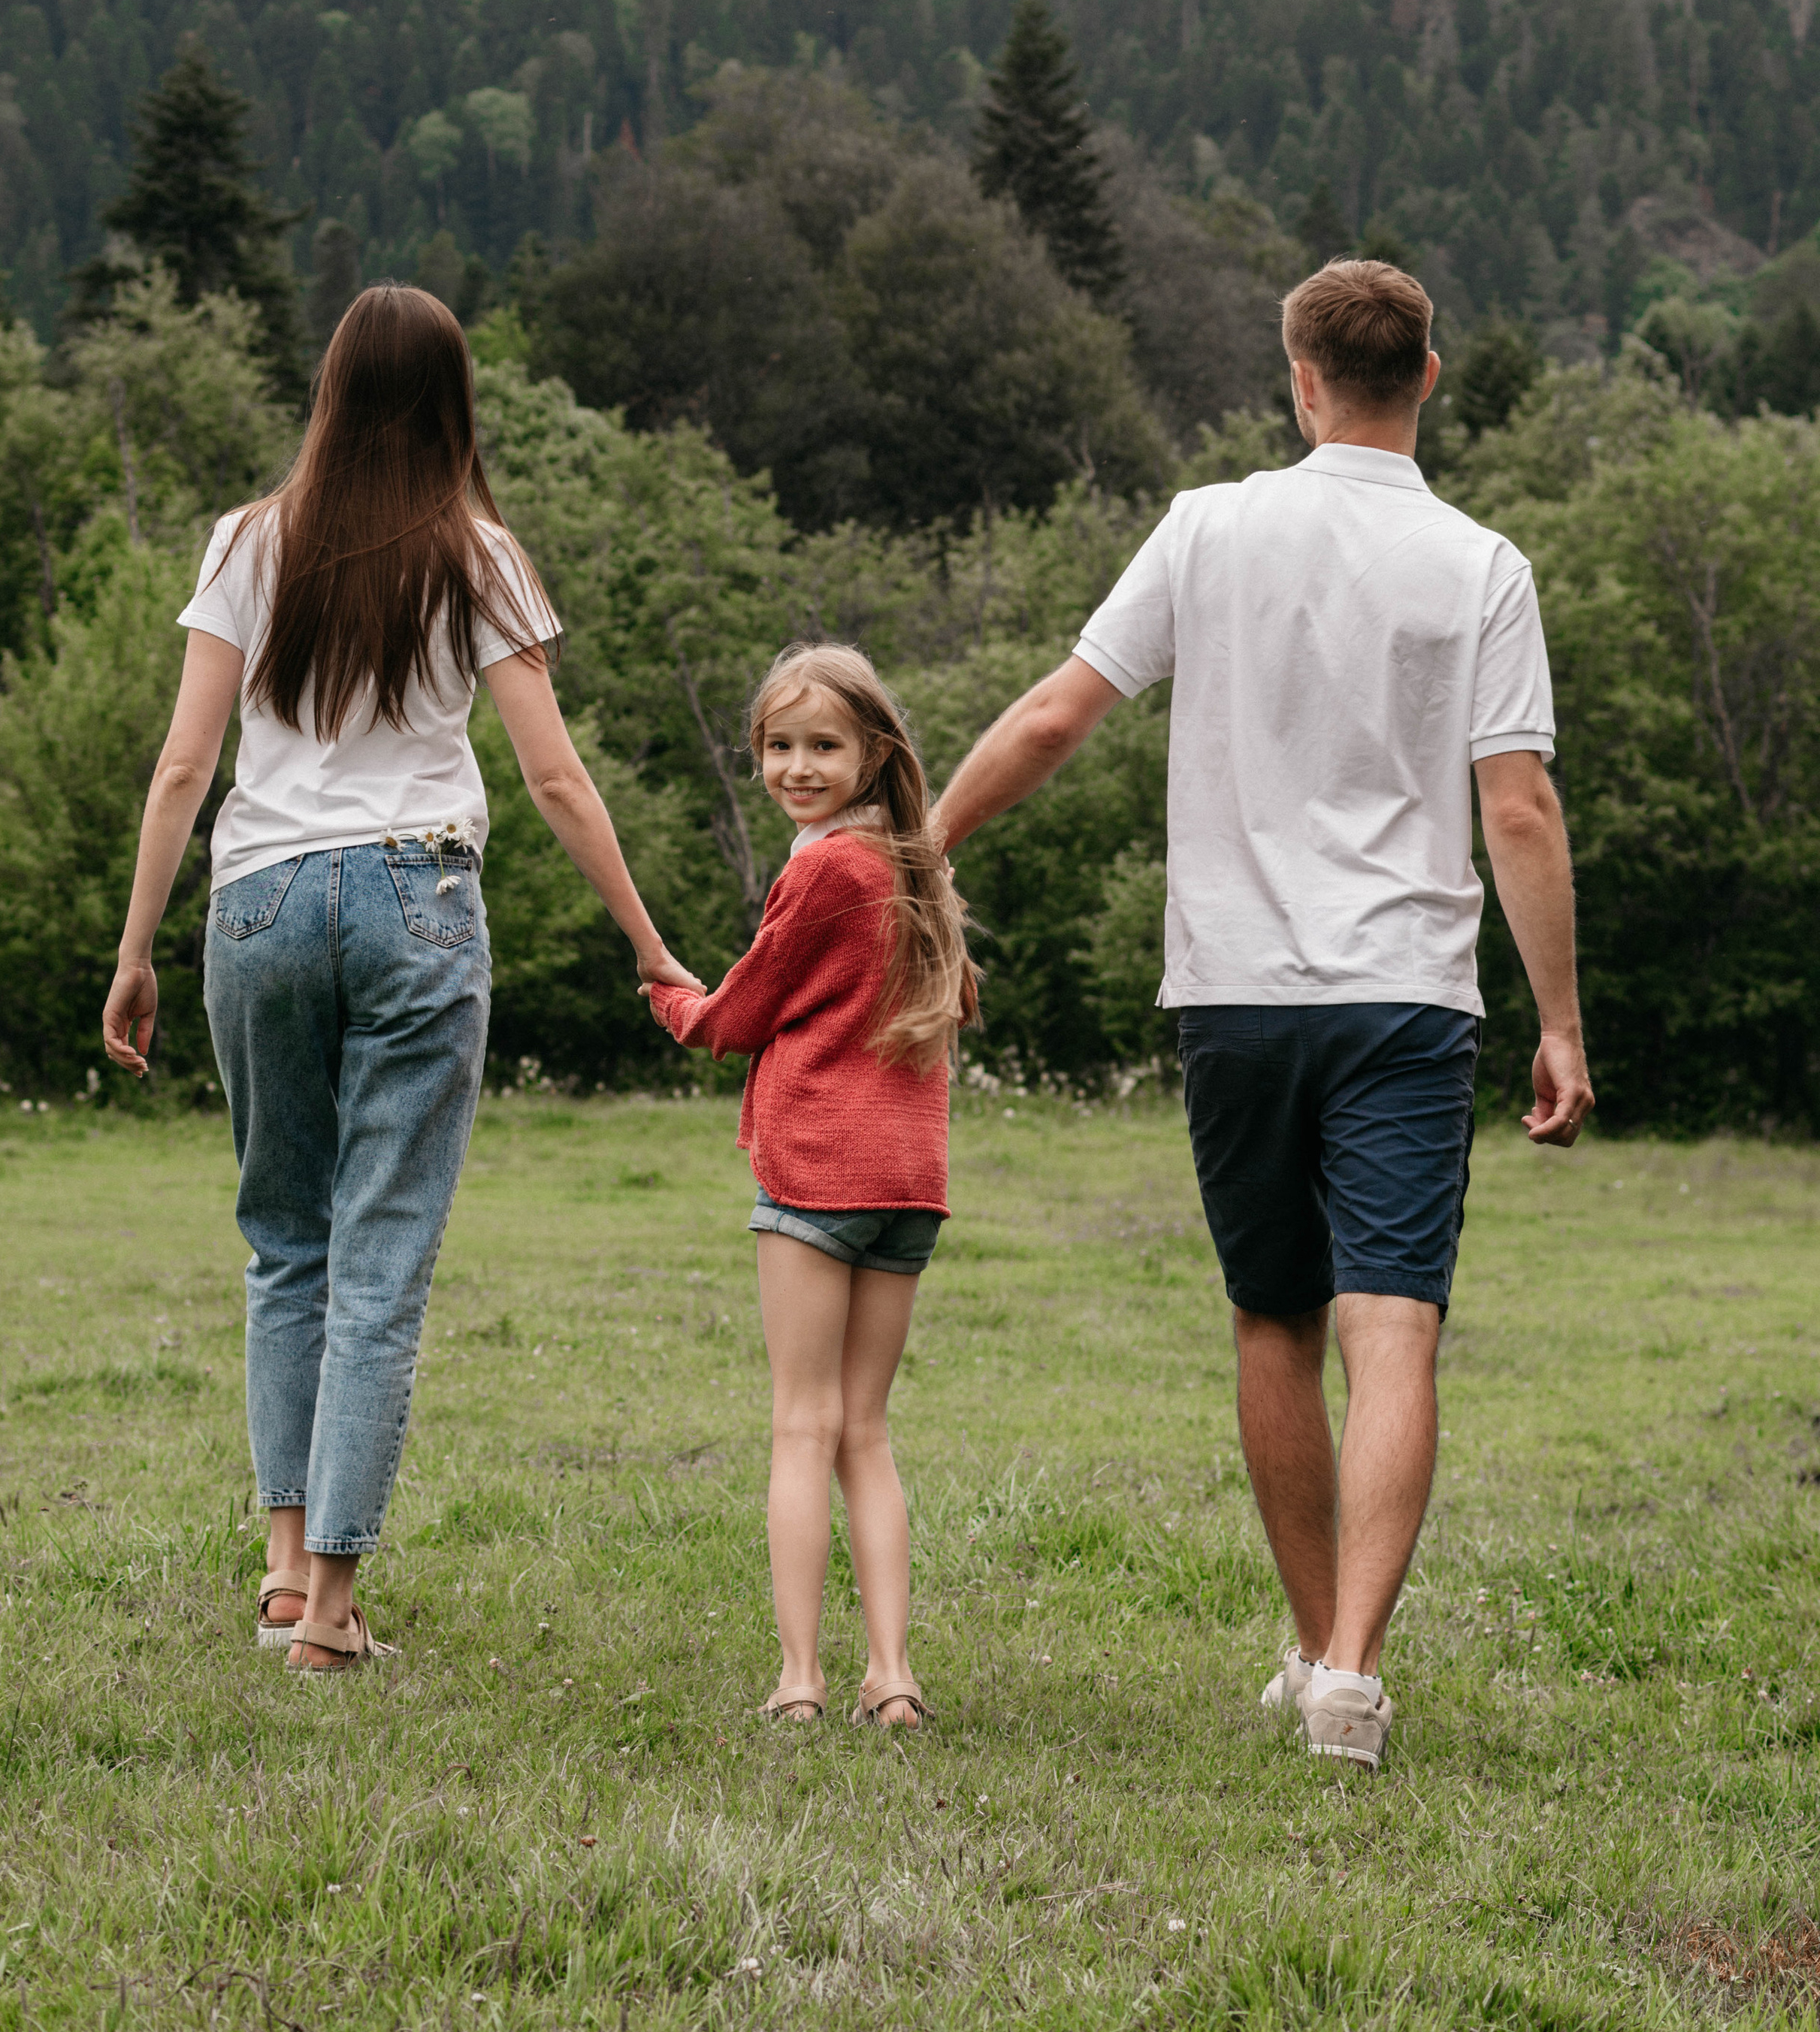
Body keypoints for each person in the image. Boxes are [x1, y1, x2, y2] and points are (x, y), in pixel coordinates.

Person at [931, 259, 1592, 1769]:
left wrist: (924, 843)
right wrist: (1557, 1021)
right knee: (1393, 1327)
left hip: (1234, 992)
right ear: (1427, 379)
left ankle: (1314, 1652)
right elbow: (1519, 810)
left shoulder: (1205, 527)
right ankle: (1349, 1671)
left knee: (1272, 1321)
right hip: (1405, 999)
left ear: (1299, 382)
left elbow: (1056, 714)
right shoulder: (1481, 565)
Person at [101, 284, 699, 1673]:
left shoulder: (246, 541)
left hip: (258, 901)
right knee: (379, 1262)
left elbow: (185, 766)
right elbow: (554, 776)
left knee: (284, 1241)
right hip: (416, 899)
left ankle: (283, 1571)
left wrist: (136, 950)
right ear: (453, 401)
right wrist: (649, 942)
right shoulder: (480, 555)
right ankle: (331, 1612)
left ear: (330, 391)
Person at [645, 645, 978, 1728]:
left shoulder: (830, 868)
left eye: (824, 746)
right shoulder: (918, 867)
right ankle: (894, 1674)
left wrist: (673, 1000)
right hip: (909, 1184)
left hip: (822, 1172)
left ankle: (801, 1680)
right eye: (779, 746)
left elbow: (741, 1012)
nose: (798, 767)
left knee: (803, 1425)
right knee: (864, 1431)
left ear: (873, 754)